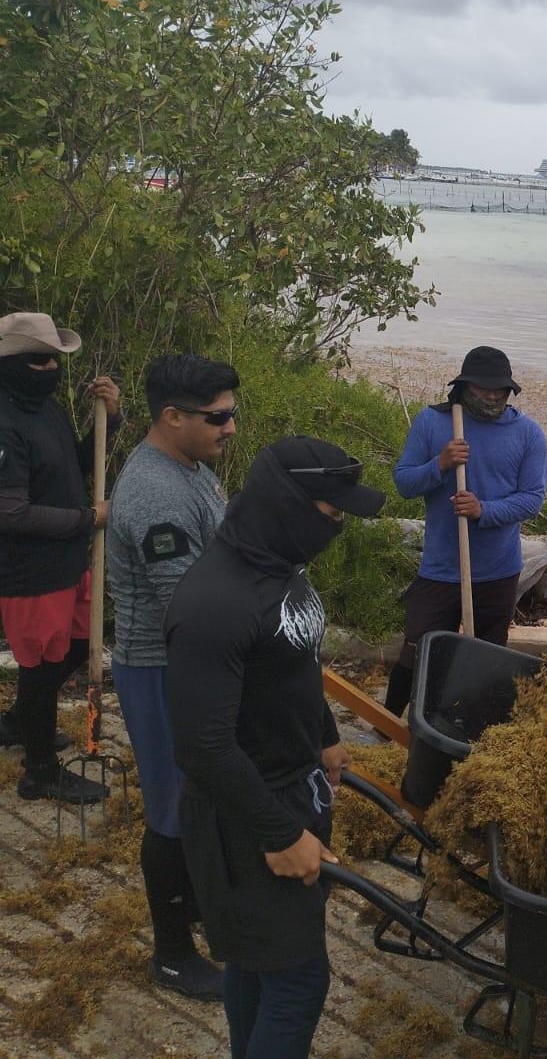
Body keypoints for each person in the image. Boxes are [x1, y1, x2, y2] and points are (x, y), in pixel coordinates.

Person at [166, 436, 384, 1058]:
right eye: (331, 510)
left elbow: (295, 658)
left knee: (258, 965)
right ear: (286, 504)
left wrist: (325, 734)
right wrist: (280, 835)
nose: (339, 522)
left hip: (295, 787)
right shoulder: (215, 605)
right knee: (298, 979)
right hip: (245, 818)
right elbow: (203, 748)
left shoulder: (278, 562)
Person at [107, 354, 240, 1000]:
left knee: (196, 798)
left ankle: (195, 904)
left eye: (231, 413)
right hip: (161, 669)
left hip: (190, 662)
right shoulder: (154, 491)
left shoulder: (191, 469)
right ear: (172, 417)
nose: (231, 427)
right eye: (219, 416)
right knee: (170, 809)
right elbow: (183, 600)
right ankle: (170, 953)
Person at [384, 346, 547, 716]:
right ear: (463, 386)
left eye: (499, 390)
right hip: (441, 567)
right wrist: (440, 464)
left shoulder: (528, 434)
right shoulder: (432, 422)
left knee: (488, 657)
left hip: (498, 570)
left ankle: (473, 729)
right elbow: (404, 483)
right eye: (483, 389)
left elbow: (532, 500)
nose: (491, 396)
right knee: (417, 651)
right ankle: (385, 727)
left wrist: (482, 510)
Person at [0, 311, 121, 803]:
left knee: (73, 648)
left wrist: (109, 418)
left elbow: (74, 463)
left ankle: (18, 721)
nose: (50, 368)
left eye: (54, 359)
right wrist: (87, 518)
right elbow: (10, 513)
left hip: (68, 562)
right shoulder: (4, 424)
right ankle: (40, 773)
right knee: (40, 667)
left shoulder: (42, 407)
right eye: (38, 360)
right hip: (29, 574)